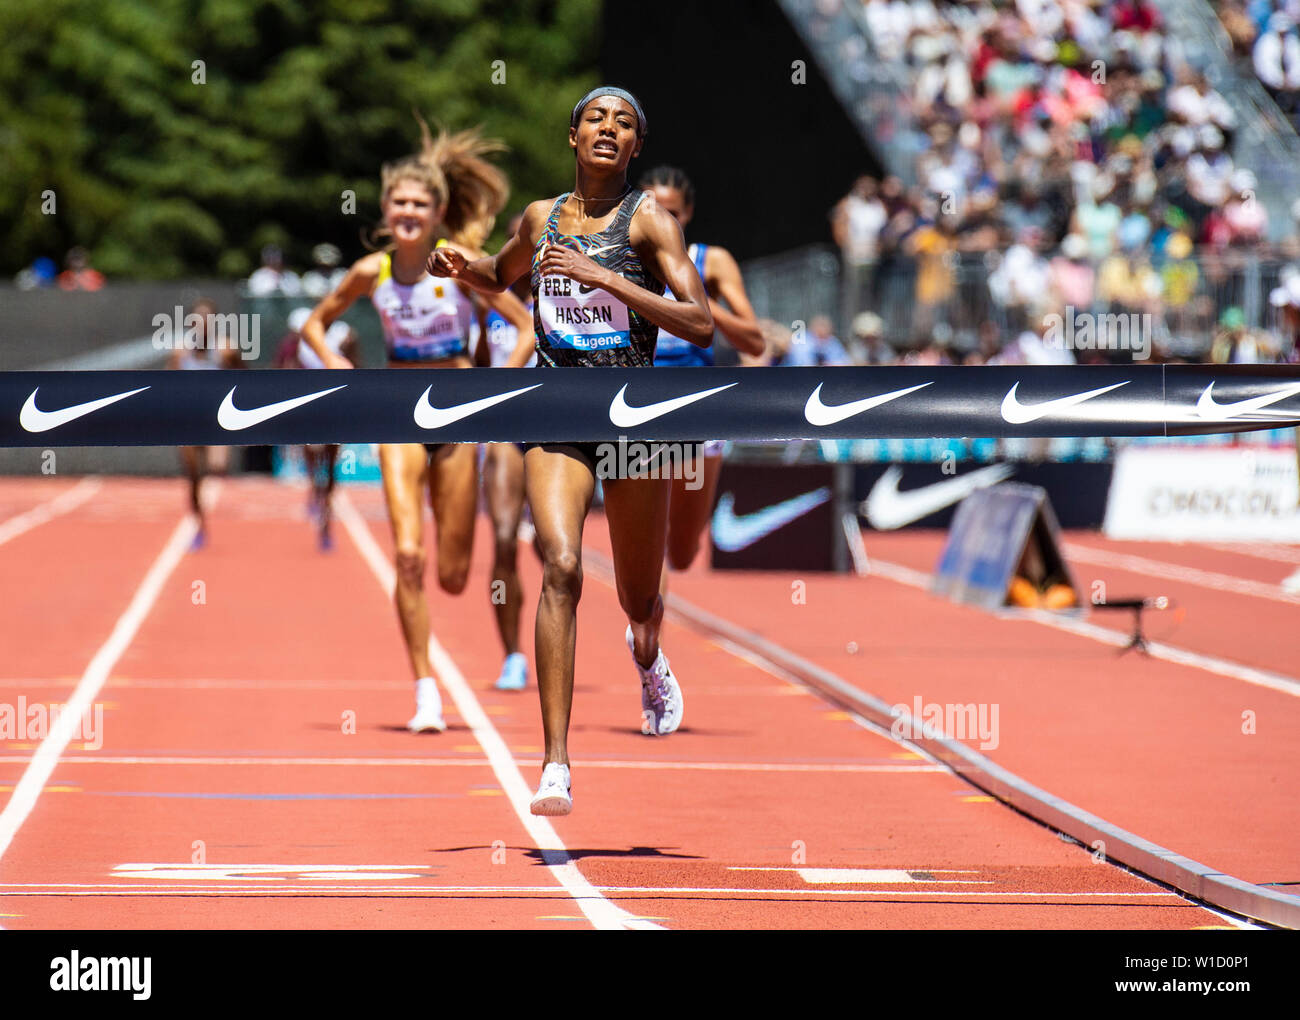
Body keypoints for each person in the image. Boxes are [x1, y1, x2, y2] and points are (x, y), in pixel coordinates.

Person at [430, 87, 714, 815]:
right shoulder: (541, 217)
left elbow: (701, 322)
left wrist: (606, 278)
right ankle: (555, 763)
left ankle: (647, 656)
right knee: (559, 564)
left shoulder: (648, 223)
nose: (610, 129)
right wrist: (462, 266)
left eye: (625, 123)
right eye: (598, 118)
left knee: (637, 594)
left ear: (635, 147)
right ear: (572, 135)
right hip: (555, 410)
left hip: (635, 423)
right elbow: (504, 273)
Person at [301, 118, 533, 733]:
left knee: (453, 575)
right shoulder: (370, 272)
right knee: (407, 556)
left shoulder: (457, 266)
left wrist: (502, 382)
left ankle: (453, 619)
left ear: (436, 214)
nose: (407, 211)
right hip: (399, 408)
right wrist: (341, 373)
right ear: (385, 211)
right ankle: (425, 691)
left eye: (419, 204)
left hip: (456, 408)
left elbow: (527, 326)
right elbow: (314, 326)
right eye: (398, 202)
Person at [638, 165, 763, 592]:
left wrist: (701, 303)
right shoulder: (620, 256)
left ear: (687, 214)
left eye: (672, 212)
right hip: (639, 404)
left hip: (699, 408)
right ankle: (646, 632)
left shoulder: (712, 261)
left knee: (683, 551)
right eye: (653, 209)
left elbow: (755, 341)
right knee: (645, 542)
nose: (662, 221)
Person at [471, 211, 540, 691]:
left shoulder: (562, 297)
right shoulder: (489, 300)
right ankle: (513, 655)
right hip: (503, 432)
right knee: (500, 539)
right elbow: (476, 365)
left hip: (553, 429)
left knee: (559, 552)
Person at [273, 307, 360, 550]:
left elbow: (357, 366)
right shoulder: (303, 333)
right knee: (311, 452)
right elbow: (286, 364)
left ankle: (326, 509)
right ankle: (315, 490)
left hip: (336, 402)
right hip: (309, 402)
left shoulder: (345, 335)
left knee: (331, 462)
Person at [169, 298, 239, 549]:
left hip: (217, 420)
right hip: (188, 418)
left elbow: (246, 379)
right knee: (193, 477)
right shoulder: (181, 352)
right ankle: (199, 523)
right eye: (198, 319)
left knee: (217, 465)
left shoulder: (226, 350)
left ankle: (205, 515)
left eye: (207, 319)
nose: (203, 324)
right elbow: (168, 385)